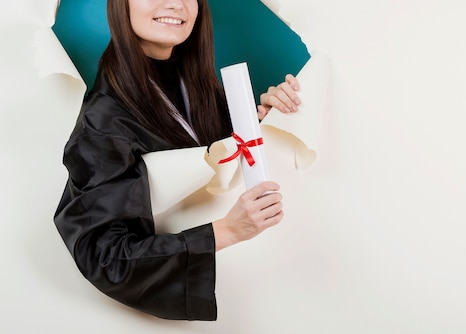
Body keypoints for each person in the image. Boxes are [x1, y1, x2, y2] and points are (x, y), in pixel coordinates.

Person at [53, 0, 301, 321]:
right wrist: (226, 231)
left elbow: (223, 167)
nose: (175, 3)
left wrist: (265, 122)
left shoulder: (199, 87)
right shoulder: (103, 122)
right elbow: (107, 259)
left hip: (267, 284)